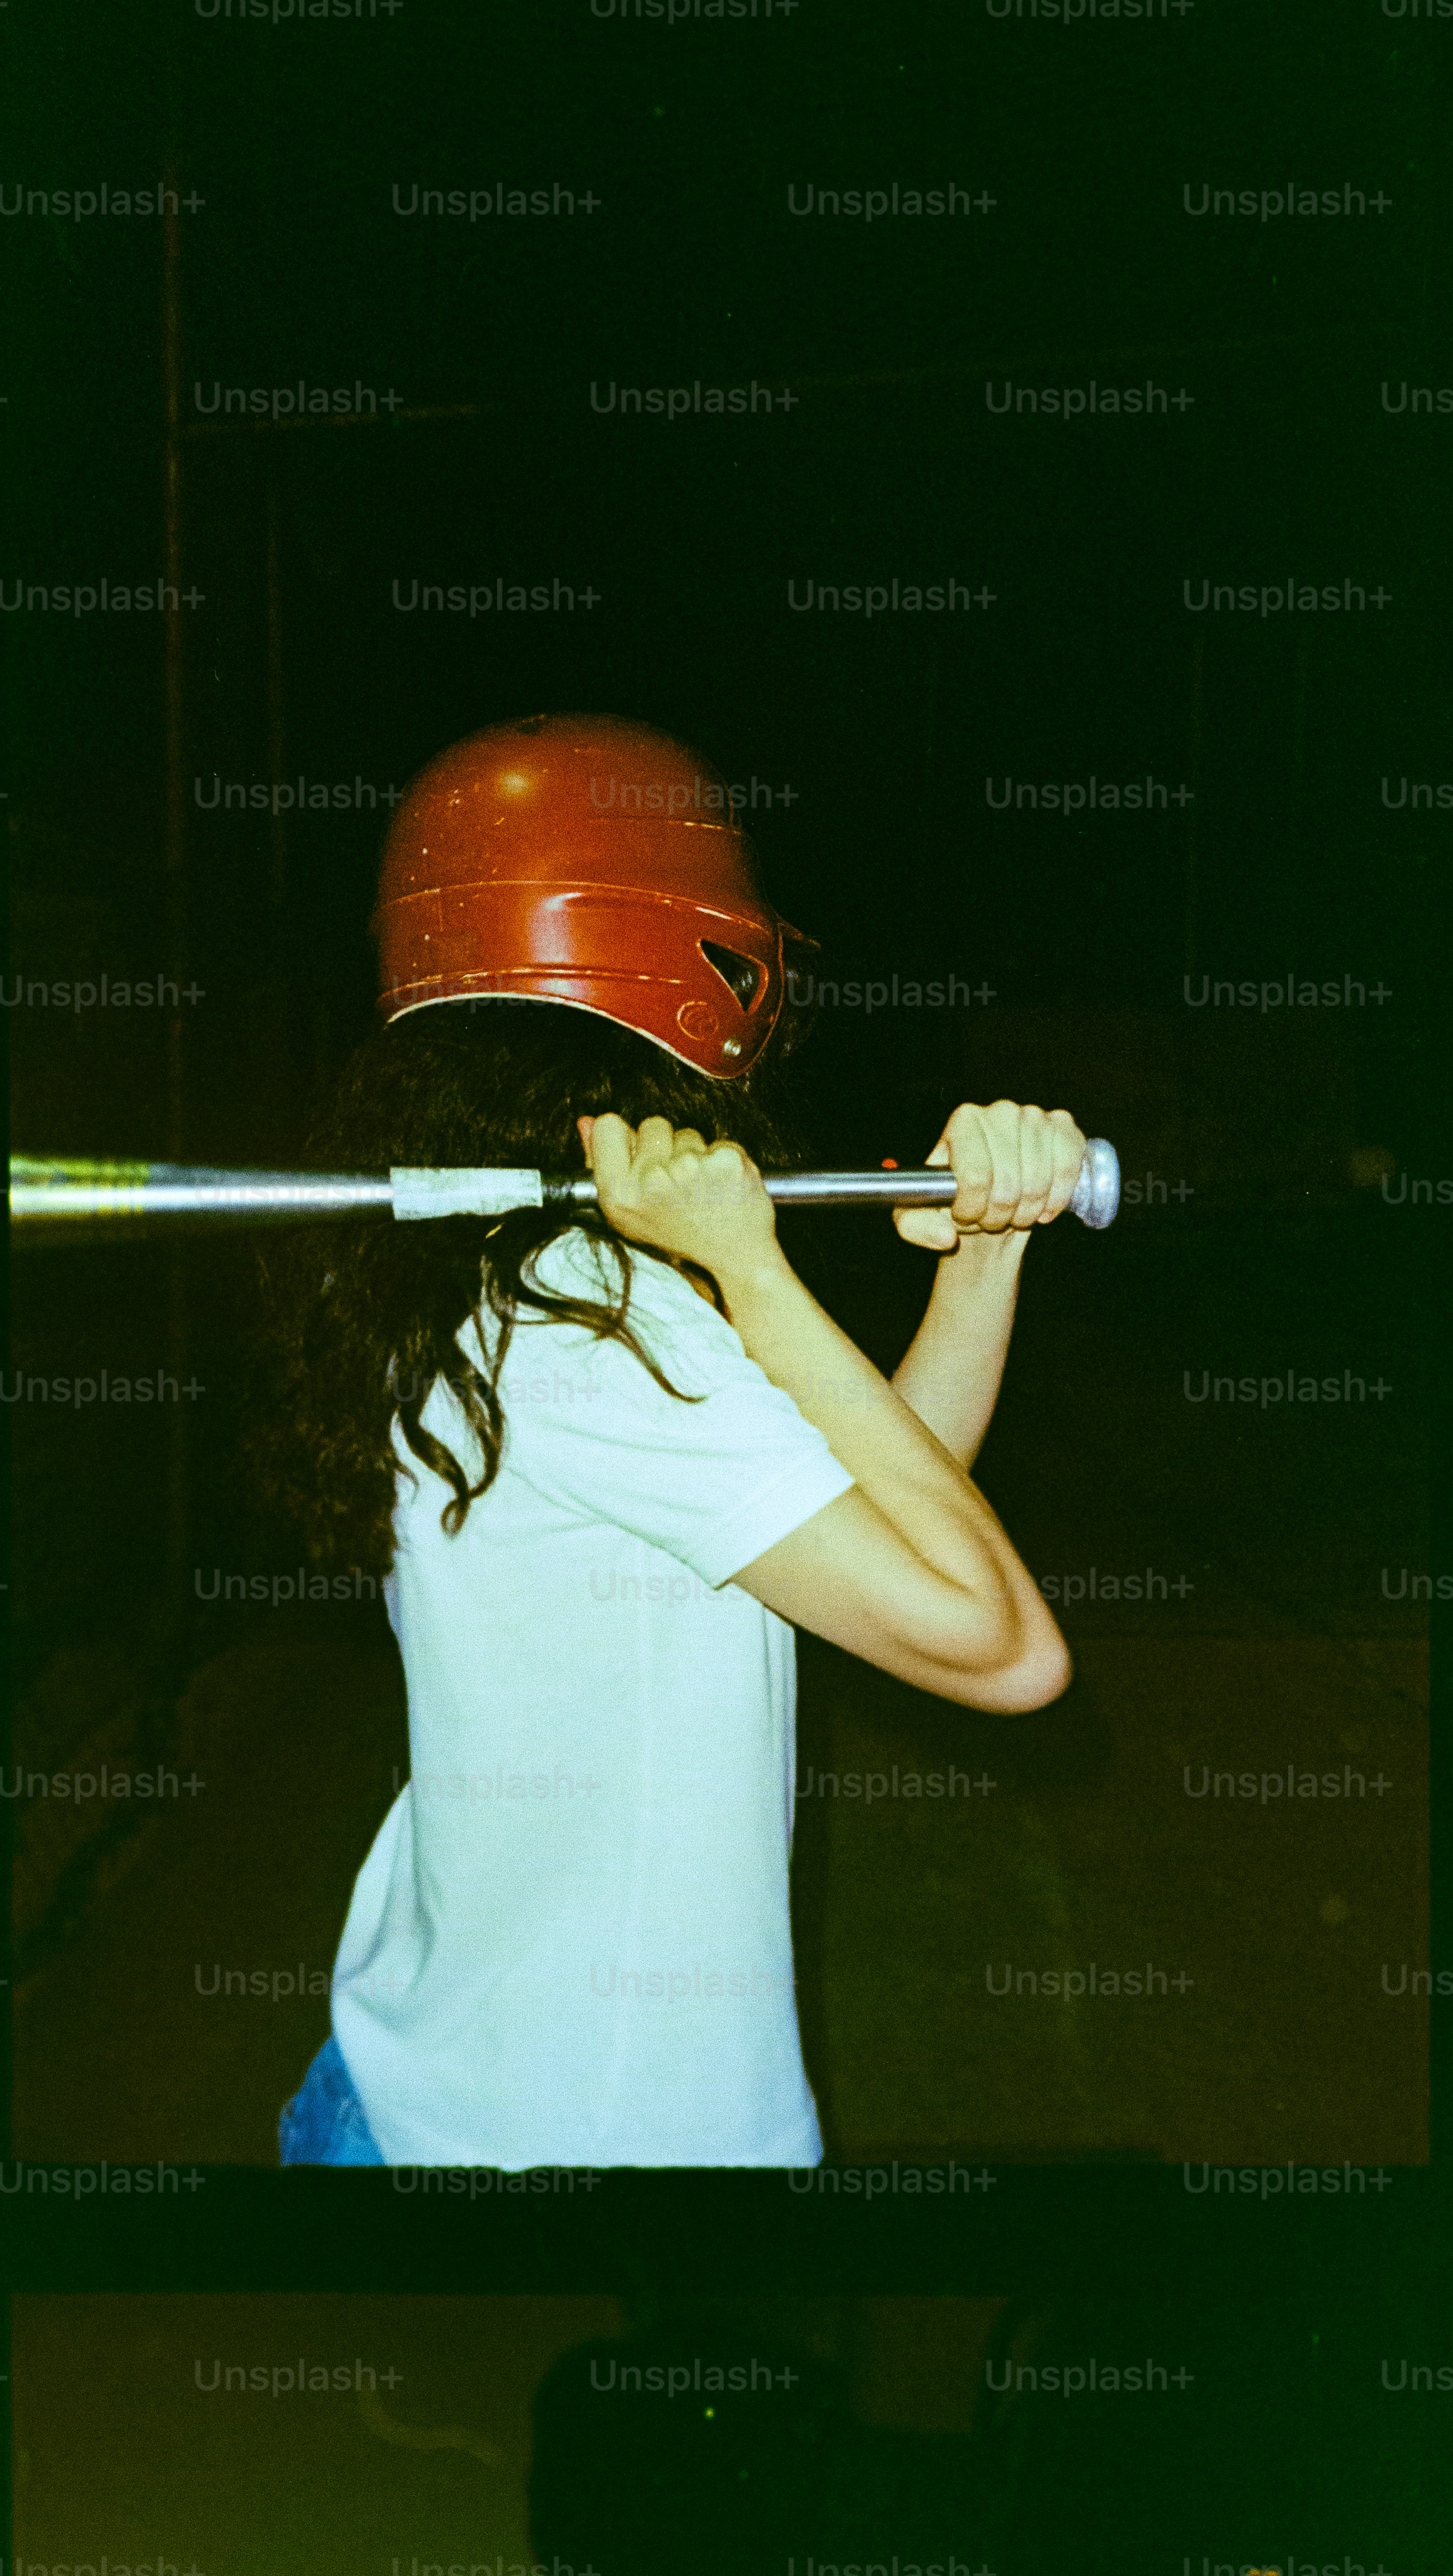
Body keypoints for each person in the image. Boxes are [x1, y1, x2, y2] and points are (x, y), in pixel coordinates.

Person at [268, 710, 1081, 2169]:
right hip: (592, 2136)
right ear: (687, 960)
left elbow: (873, 1522)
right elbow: (996, 1647)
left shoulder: (474, 1267)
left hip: (424, 2076)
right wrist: (756, 1276)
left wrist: (980, 1256)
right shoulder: (593, 1311)